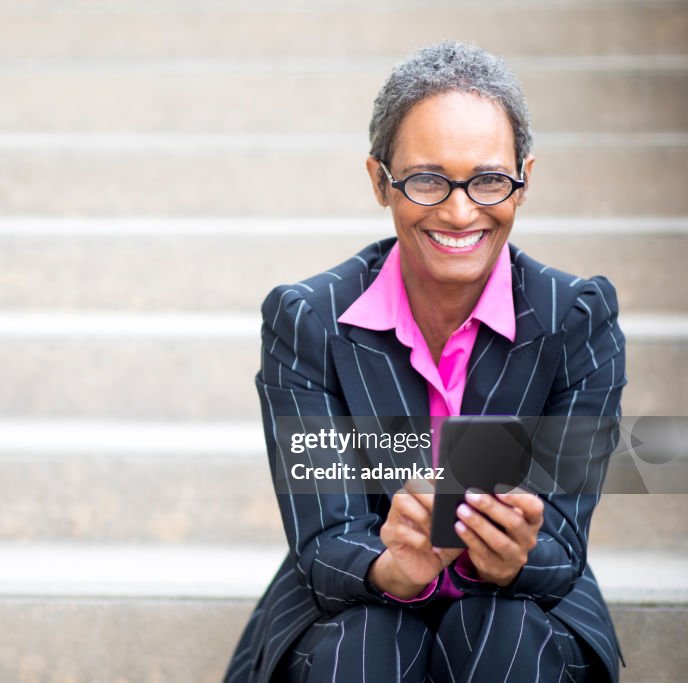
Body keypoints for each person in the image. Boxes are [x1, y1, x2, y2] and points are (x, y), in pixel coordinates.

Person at [223, 40, 626, 682]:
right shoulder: (308, 319)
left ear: (524, 178)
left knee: (509, 633)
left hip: (522, 600)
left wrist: (510, 559)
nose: (461, 210)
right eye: (427, 179)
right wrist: (393, 568)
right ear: (381, 182)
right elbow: (325, 541)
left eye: (490, 179)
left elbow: (562, 547)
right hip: (354, 596)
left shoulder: (576, 318)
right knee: (360, 645)